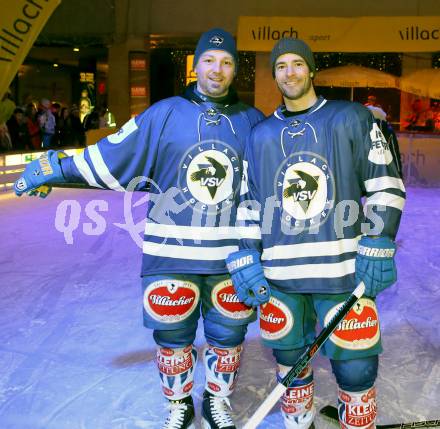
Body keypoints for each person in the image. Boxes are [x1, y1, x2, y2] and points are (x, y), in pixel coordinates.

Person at [13, 28, 264, 429]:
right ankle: (180, 404)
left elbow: (277, 177)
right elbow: (111, 155)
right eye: (210, 60)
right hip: (171, 253)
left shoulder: (253, 122)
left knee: (228, 336)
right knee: (172, 335)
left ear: (235, 70)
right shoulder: (162, 114)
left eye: (227, 62)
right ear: (196, 65)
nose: (217, 69)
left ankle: (217, 399)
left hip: (228, 256)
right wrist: (56, 168)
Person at [226, 38, 405, 429]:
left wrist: (378, 238)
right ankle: (299, 423)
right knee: (291, 363)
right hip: (281, 278)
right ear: (274, 74)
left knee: (357, 369)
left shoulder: (351, 118)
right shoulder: (260, 135)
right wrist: (246, 254)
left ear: (310, 69)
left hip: (341, 274)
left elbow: (384, 183)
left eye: (296, 64)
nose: (289, 73)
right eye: (281, 66)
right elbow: (249, 203)